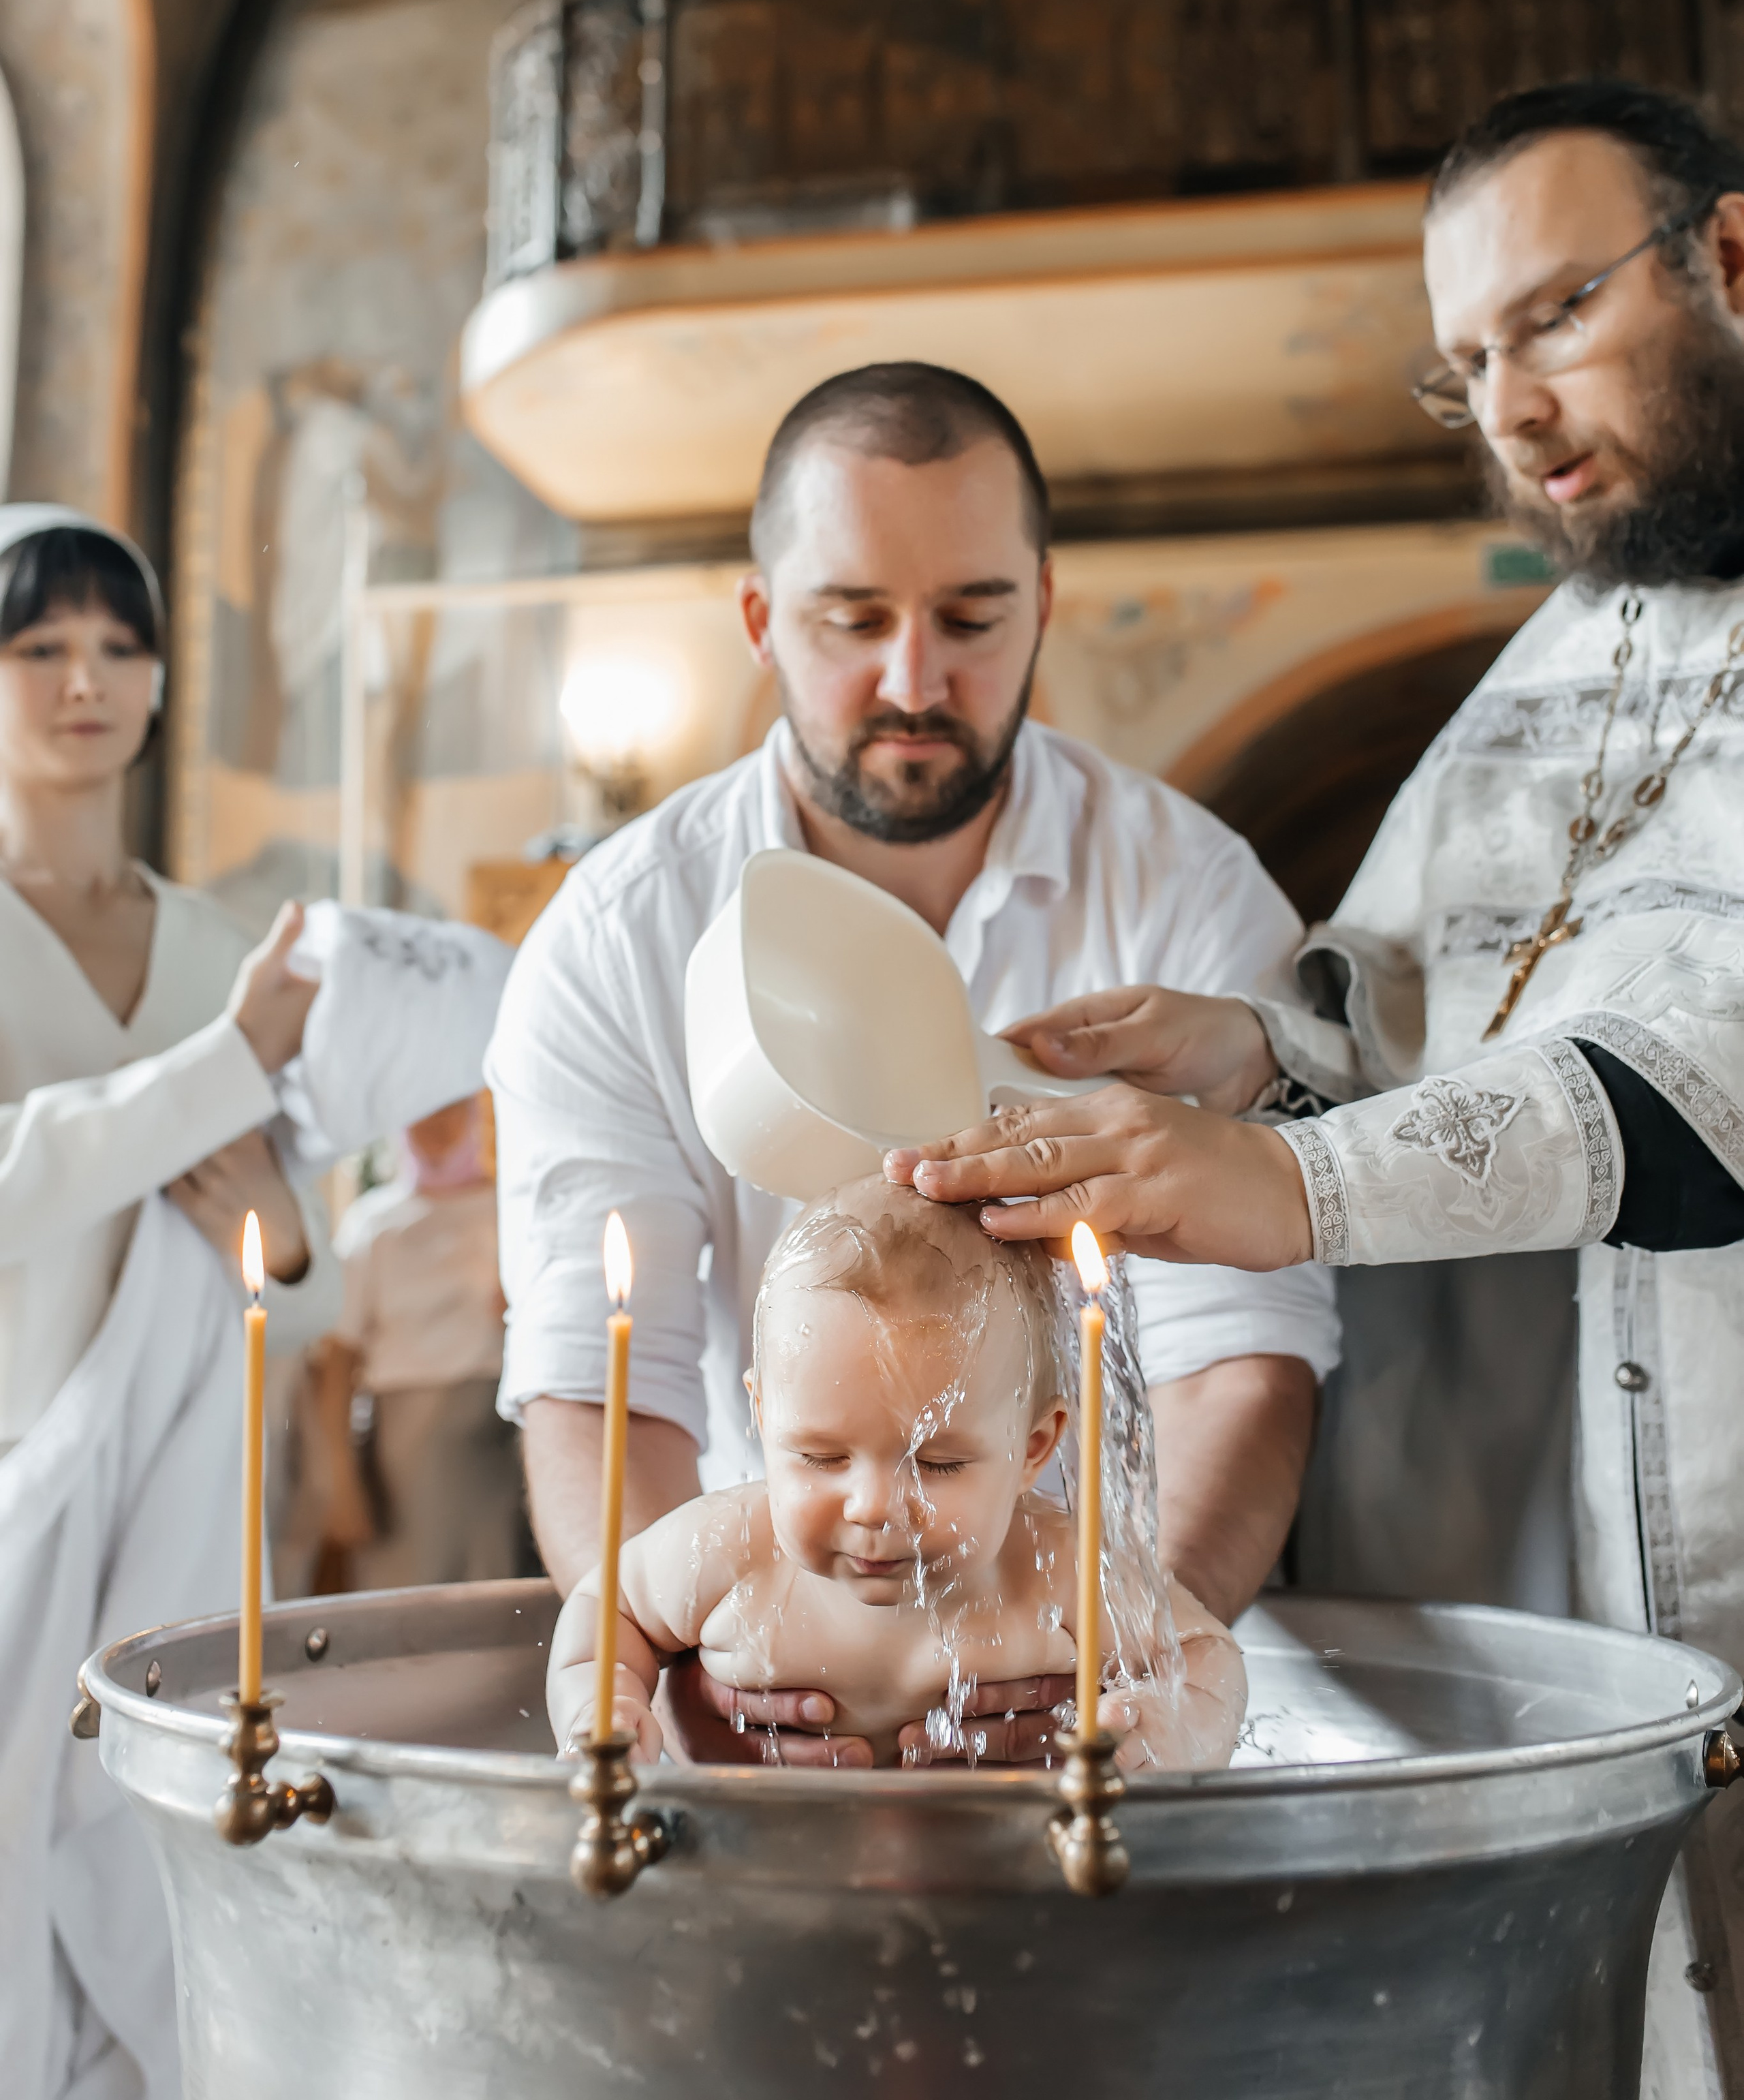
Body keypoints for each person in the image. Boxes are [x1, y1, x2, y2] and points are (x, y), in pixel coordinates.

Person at [884, 80, 1744, 2097]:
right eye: (1465, 365)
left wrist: (1284, 1184)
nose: (1512, 410)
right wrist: (1260, 1049)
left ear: (1725, 255)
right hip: (1532, 1575)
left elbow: (1696, 1081)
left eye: (1549, 313)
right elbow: (1437, 992)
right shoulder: (1576, 640)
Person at [488, 360, 1340, 1769]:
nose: (912, 679)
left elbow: (1237, 1361)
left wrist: (1113, 1667)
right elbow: (605, 1368)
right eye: (852, 620)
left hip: (1070, 1671)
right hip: (761, 1658)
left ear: (1042, 606)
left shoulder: (1189, 897)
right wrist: (691, 1665)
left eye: (969, 617)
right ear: (761, 620)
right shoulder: (612, 937)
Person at [0, 504, 338, 2100]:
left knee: (164, 1851)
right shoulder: (237, 1007)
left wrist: (282, 1232)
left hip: (187, 1486)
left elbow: (303, 1274)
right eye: (41, 644)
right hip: (9, 1477)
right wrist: (218, 1066)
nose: (87, 680)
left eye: (119, 645)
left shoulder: (223, 946)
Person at [546, 1175, 1245, 1774]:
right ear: (761, 1415)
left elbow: (1205, 1654)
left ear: (1033, 1448)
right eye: (820, 1457)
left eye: (938, 1464)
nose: (874, 1506)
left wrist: (1170, 1729)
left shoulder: (1056, 1565)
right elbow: (607, 1608)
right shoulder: (727, 1550)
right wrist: (607, 1702)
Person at [332, 1092, 523, 1588]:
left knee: (498, 1577)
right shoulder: (373, 1224)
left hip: (499, 1433)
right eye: (417, 1113)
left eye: (448, 1109)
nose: (432, 1126)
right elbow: (335, 1360)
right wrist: (335, 1475)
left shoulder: (514, 1210)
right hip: (407, 1451)